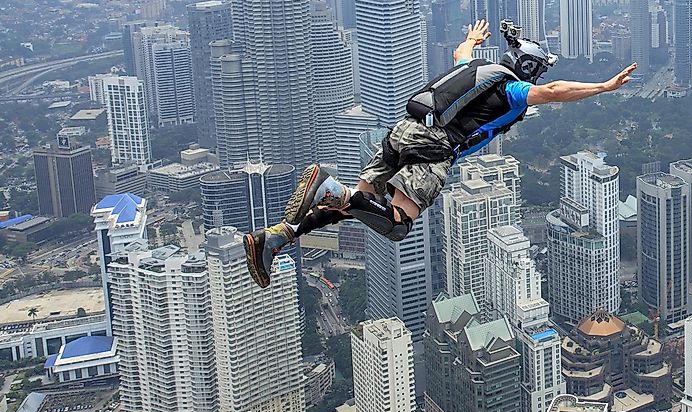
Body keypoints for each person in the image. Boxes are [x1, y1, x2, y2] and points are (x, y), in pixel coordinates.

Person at [244, 18, 636, 287]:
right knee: (397, 225)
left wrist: (473, 39)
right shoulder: (512, 90)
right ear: (530, 70)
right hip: (435, 149)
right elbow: (554, 94)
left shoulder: (477, 68)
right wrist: (603, 87)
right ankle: (330, 188)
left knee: (361, 204)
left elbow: (459, 52)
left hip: (402, 131)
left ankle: (276, 238)